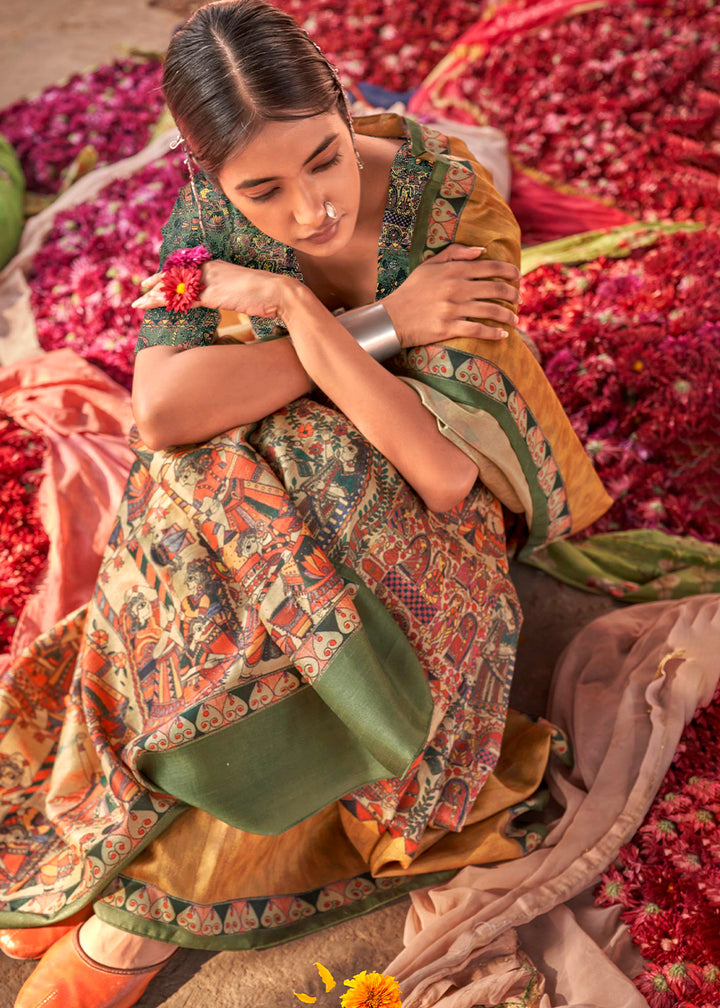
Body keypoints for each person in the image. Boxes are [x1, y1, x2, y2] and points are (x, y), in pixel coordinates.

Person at [0, 2, 609, 1006]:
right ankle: (172, 790)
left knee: (295, 461)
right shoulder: (209, 219)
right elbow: (162, 413)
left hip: (434, 521)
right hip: (300, 484)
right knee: (193, 476)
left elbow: (439, 467)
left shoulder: (449, 209)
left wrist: (297, 309)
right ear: (205, 171)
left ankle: (143, 909)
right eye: (263, 190)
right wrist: (370, 329)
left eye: (324, 160)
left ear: (341, 102)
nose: (308, 212)